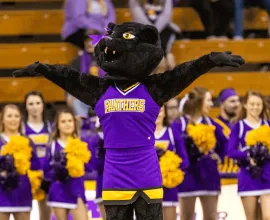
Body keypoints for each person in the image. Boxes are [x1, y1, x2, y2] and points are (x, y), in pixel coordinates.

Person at [13, 21, 245, 220]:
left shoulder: (154, 87)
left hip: (147, 169)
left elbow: (183, 73)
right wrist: (43, 68)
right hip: (115, 171)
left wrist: (210, 60)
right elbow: (69, 77)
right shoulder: (98, 88)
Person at [172, 87, 228, 220]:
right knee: (186, 216)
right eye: (208, 100)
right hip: (187, 176)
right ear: (198, 102)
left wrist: (219, 156)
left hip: (209, 175)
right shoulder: (178, 124)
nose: (211, 104)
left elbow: (226, 142)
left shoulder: (211, 123)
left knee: (211, 216)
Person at [44, 108, 93, 220]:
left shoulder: (82, 143)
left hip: (77, 191)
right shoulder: (52, 146)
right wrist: (58, 171)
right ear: (57, 125)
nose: (67, 124)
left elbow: (90, 167)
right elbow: (46, 171)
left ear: (74, 123)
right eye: (63, 121)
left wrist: (80, 161)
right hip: (58, 192)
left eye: (70, 121)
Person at [228, 91, 270, 220]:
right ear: (245, 105)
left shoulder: (268, 125)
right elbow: (230, 151)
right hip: (247, 177)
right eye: (252, 104)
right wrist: (248, 155)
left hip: (267, 177)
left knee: (267, 216)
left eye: (258, 104)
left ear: (263, 106)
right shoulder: (238, 126)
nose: (255, 107)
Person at [0, 104, 40, 220]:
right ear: (2, 119)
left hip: (22, 193)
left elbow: (36, 165)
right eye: (9, 116)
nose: (13, 119)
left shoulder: (27, 141)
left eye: (16, 116)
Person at [22, 91, 52, 220]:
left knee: (45, 215)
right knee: (22, 214)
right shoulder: (20, 128)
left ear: (43, 105)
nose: (35, 107)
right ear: (26, 106)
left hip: (45, 177)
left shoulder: (51, 127)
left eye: (38, 103)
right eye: (31, 103)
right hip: (26, 176)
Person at [155, 106, 189, 220]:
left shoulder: (172, 132)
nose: (157, 114)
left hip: (168, 189)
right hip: (146, 188)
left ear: (164, 113)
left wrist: (171, 166)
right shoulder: (141, 134)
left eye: (160, 111)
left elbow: (184, 161)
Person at [216, 88, 241, 182]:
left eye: (238, 101)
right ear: (222, 104)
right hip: (222, 177)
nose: (237, 104)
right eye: (232, 101)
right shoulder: (214, 125)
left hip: (242, 175)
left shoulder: (242, 124)